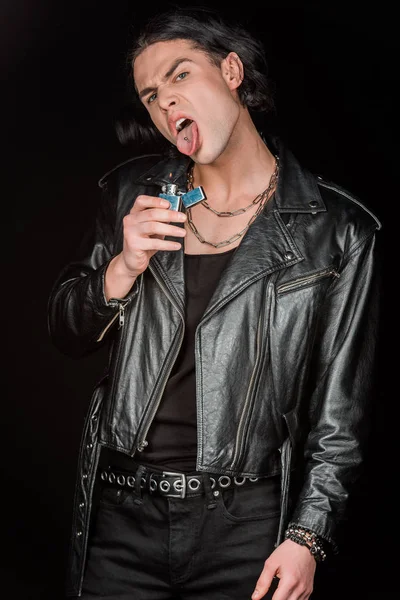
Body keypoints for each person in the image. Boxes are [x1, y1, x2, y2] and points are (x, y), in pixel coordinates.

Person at [48, 5, 382, 600]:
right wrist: (122, 268)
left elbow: (341, 416)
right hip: (121, 516)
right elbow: (65, 331)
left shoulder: (337, 230)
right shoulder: (131, 194)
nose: (166, 103)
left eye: (180, 76)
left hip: (245, 527)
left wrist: (308, 536)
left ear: (231, 71)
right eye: (151, 95)